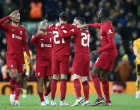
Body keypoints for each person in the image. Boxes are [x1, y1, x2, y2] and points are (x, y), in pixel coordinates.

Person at [79, 8, 118, 106]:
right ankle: (108, 101)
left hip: (108, 53)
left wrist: (99, 51)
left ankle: (100, 98)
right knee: (103, 76)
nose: (97, 14)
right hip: (110, 53)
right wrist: (88, 25)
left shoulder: (107, 26)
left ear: (102, 15)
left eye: (99, 12)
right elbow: (98, 25)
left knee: (93, 73)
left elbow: (112, 44)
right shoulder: (104, 24)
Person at [38, 12, 75, 106]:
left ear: (59, 18)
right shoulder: (70, 27)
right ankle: (62, 101)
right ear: (67, 20)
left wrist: (44, 21)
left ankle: (53, 101)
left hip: (54, 55)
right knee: (63, 78)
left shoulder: (53, 26)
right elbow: (78, 29)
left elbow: (41, 28)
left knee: (54, 78)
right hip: (64, 55)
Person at [57, 17, 90, 106]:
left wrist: (58, 28)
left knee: (75, 77)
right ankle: (87, 100)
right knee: (84, 78)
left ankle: (79, 98)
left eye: (75, 23)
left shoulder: (76, 30)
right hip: (87, 55)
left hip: (79, 55)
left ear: (79, 24)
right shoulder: (87, 32)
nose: (73, 24)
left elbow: (63, 35)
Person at [0, 10, 30, 106]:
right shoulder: (8, 27)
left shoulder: (22, 29)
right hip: (11, 55)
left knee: (19, 78)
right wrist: (8, 16)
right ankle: (12, 95)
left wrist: (28, 55)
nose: (18, 17)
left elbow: (25, 44)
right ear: (13, 17)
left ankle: (16, 100)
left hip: (20, 57)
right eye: (16, 16)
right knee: (14, 76)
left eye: (19, 16)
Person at [30, 20, 52, 106]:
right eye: (42, 24)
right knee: (40, 81)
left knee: (52, 81)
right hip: (40, 61)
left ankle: (46, 94)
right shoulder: (37, 35)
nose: (44, 25)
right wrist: (38, 34)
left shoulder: (51, 35)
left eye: (45, 24)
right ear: (39, 26)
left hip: (50, 61)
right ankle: (42, 100)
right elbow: (31, 41)